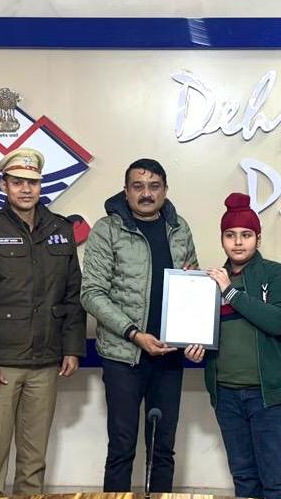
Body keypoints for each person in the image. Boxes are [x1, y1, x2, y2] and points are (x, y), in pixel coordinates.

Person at [0, 148, 86, 499]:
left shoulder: (61, 230)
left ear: (41, 185)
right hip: (0, 366)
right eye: (17, 182)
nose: (26, 189)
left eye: (32, 182)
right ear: (4, 186)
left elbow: (73, 294)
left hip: (45, 362)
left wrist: (72, 348)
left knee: (34, 460)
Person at [81, 158, 198, 492]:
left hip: (169, 357)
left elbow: (193, 282)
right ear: (126, 190)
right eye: (138, 186)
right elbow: (91, 293)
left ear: (165, 190)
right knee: (122, 448)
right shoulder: (107, 229)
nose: (147, 193)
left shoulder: (179, 228)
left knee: (163, 449)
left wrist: (194, 333)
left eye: (154, 186)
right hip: (124, 358)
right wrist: (134, 334)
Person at [184, 193, 281, 499]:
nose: (238, 242)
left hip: (269, 395)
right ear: (222, 239)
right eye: (230, 235)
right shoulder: (208, 282)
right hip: (227, 395)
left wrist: (230, 292)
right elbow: (201, 332)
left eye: (246, 235)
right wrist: (195, 349)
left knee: (278, 482)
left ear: (258, 239)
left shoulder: (276, 274)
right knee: (245, 480)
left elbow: (278, 321)